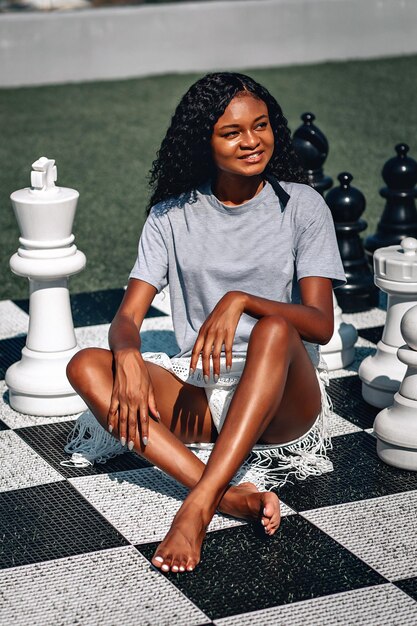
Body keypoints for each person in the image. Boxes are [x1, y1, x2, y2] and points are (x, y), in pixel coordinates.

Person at [66, 72, 345, 575]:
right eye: (232, 132)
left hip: (284, 398)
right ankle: (226, 495)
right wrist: (128, 356)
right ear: (204, 141)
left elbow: (320, 325)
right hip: (204, 391)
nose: (252, 141)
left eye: (261, 126)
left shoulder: (302, 205)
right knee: (87, 365)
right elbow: (127, 317)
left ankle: (196, 505)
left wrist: (242, 300)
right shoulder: (170, 216)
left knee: (275, 330)